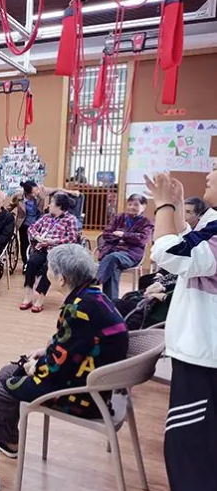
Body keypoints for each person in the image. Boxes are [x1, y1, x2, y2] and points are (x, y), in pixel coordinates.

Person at [0, 244, 128, 491]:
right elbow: (79, 343)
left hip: (85, 395)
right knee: (7, 372)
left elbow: (56, 370)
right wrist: (46, 352)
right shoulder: (92, 296)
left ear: (62, 279)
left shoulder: (78, 309)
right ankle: (11, 442)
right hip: (93, 379)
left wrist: (35, 367)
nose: (46, 272)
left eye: (49, 269)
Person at [144, 167, 217, 491]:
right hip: (203, 353)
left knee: (190, 453)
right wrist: (174, 205)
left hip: (205, 358)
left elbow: (171, 253)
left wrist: (162, 206)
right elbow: (190, 241)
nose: (210, 174)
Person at [20, 192, 79, 312]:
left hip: (58, 252)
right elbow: (31, 228)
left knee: (48, 267)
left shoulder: (70, 219)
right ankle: (28, 295)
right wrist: (37, 237)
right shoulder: (46, 217)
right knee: (31, 263)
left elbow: (73, 238)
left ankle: (40, 299)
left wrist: (53, 241)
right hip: (42, 248)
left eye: (52, 202)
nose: (49, 205)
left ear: (59, 206)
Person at [7, 180, 79, 267]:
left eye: (37, 190)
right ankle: (26, 263)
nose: (37, 193)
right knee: (24, 243)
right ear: (27, 193)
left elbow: (57, 189)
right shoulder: (18, 196)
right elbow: (11, 205)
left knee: (40, 241)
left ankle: (39, 260)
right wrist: (4, 213)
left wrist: (71, 192)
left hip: (38, 220)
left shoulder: (41, 190)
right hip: (24, 222)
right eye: (34, 193)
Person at [97, 194, 154, 300]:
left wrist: (123, 235)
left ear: (143, 207)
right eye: (130, 204)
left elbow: (142, 239)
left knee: (112, 258)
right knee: (113, 266)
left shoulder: (147, 222)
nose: (132, 207)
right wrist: (129, 238)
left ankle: (95, 281)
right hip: (112, 252)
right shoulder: (118, 217)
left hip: (130, 254)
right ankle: (112, 303)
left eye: (136, 205)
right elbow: (106, 234)